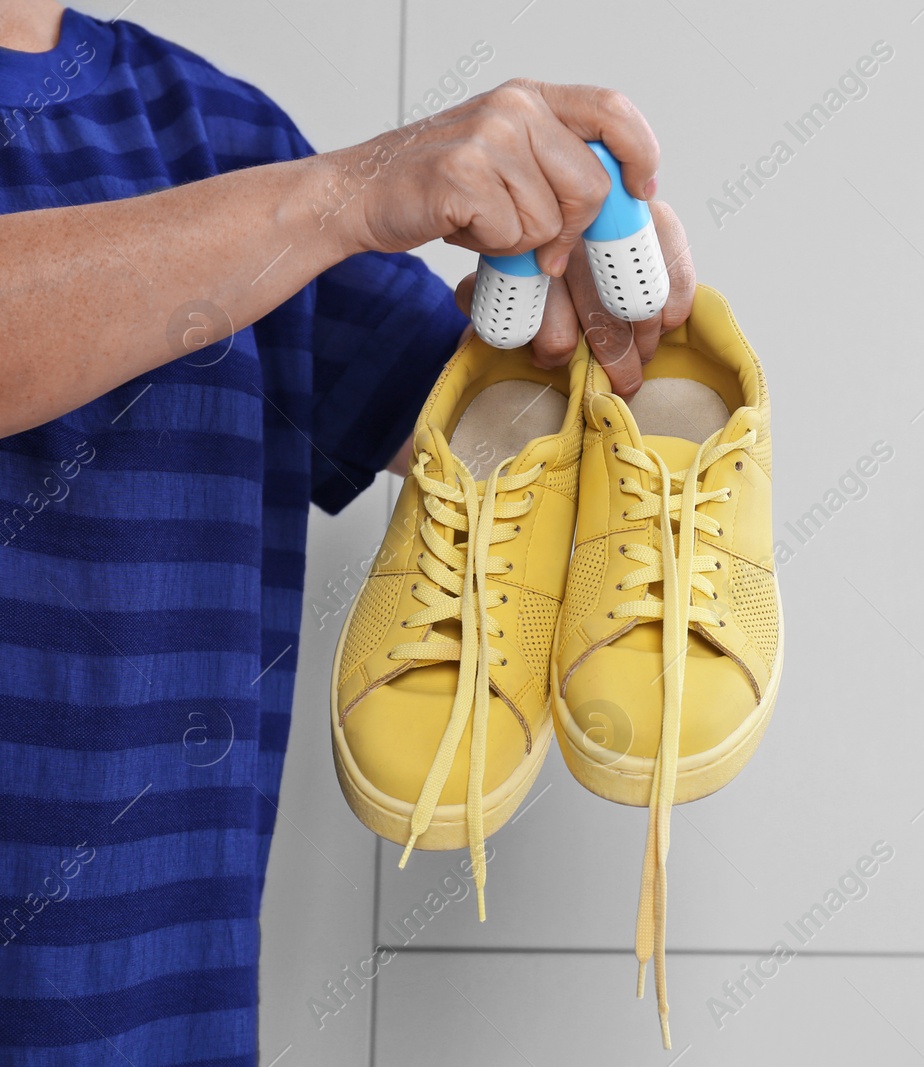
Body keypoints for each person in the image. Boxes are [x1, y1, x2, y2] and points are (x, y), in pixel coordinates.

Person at [0, 1, 695, 1060]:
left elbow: (491, 421)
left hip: (171, 1022)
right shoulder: (290, 193)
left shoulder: (220, 136)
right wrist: (343, 195)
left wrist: (586, 293)